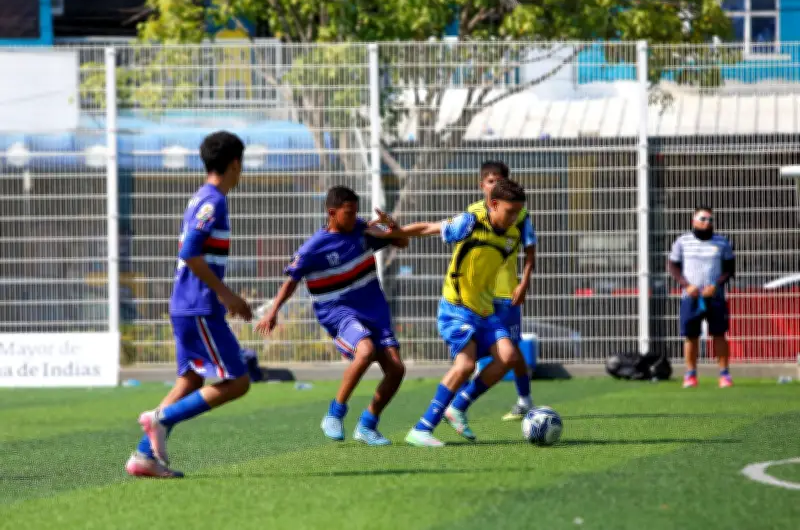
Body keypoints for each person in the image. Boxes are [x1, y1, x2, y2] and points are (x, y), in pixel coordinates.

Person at [126, 131, 253, 478]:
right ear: (235, 164)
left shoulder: (200, 197)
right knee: (238, 381)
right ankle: (160, 419)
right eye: (242, 166)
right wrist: (227, 295)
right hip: (198, 305)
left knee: (191, 380)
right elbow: (190, 252)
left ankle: (143, 457)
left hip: (185, 304)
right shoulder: (214, 201)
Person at [371, 177, 528, 447]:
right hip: (455, 308)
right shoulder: (470, 222)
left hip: (485, 310)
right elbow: (430, 227)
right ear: (493, 205)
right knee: (465, 365)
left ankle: (458, 407)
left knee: (509, 356)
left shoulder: (512, 237)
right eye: (509, 211)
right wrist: (398, 232)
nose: (515, 217)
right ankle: (422, 428)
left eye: (518, 211)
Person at [255, 186, 408, 445]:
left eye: (356, 212)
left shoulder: (362, 230)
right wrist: (273, 312)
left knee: (396, 369)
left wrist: (390, 225)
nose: (353, 217)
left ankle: (368, 425)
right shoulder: (314, 247)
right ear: (332, 213)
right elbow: (292, 281)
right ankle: (334, 413)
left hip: (373, 307)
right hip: (337, 311)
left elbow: (402, 242)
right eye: (348, 213)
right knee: (366, 350)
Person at [443, 161, 537, 434]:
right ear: (482, 185)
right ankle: (451, 406)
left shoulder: (518, 214)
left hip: (505, 292)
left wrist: (524, 282)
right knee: (468, 352)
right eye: (490, 181)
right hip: (473, 297)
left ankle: (524, 400)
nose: (493, 185)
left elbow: (530, 250)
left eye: (499, 180)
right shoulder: (472, 215)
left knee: (512, 351)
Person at [668, 205, 736, 388]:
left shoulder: (722, 242)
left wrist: (716, 285)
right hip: (691, 296)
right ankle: (690, 375)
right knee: (691, 336)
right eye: (703, 219)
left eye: (710, 219)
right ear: (694, 221)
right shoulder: (682, 241)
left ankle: (724, 375)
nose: (707, 222)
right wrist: (686, 285)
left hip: (715, 297)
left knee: (719, 334)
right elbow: (673, 266)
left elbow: (730, 269)